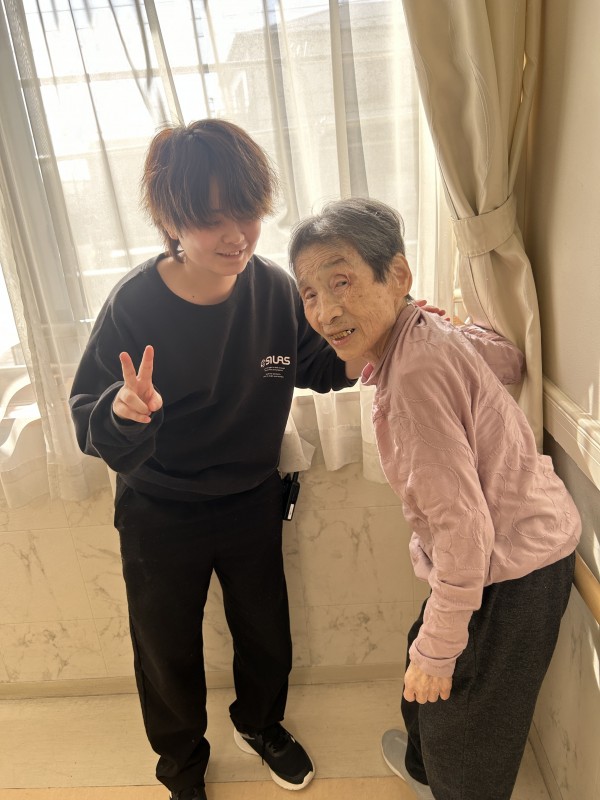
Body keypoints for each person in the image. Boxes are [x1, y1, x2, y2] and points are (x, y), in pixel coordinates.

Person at [69, 119, 367, 800]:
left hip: (250, 498)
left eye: (247, 212)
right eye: (211, 220)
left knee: (266, 633)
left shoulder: (274, 289)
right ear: (172, 221)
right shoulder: (134, 303)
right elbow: (88, 416)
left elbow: (320, 364)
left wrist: (382, 333)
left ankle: (260, 724)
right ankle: (182, 769)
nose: (236, 234)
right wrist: (123, 410)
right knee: (165, 650)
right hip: (158, 509)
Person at [288, 197, 581, 800]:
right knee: (424, 668)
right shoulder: (420, 331)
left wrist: (439, 653)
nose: (325, 311)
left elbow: (463, 532)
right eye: (309, 293)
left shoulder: (414, 376)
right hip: (517, 545)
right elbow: (509, 361)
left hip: (514, 568)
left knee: (464, 722)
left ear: (397, 275)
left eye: (341, 281)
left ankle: (449, 780)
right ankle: (426, 770)